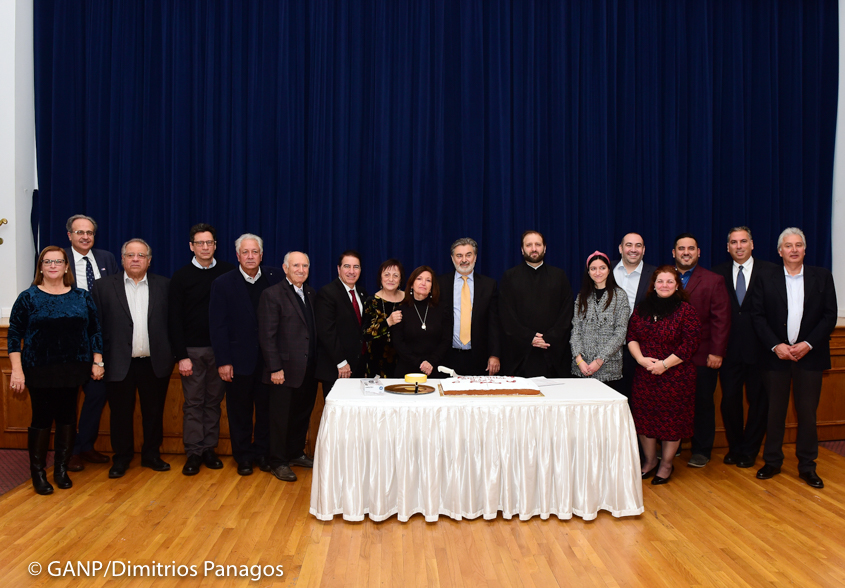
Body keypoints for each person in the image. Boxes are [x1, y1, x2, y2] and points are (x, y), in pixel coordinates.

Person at [8, 246, 104, 495]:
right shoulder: (28, 297)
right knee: (41, 419)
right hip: (38, 369)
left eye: (58, 261)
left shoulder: (81, 296)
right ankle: (38, 473)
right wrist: (17, 371)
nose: (53, 266)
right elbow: (14, 336)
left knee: (67, 418)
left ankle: (61, 469)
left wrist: (98, 360)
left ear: (66, 266)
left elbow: (94, 330)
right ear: (40, 267)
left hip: (73, 368)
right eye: (47, 261)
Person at [751, 228, 837, 489]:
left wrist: (808, 344)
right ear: (780, 251)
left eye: (798, 245)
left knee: (807, 413)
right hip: (775, 357)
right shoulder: (765, 278)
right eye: (788, 246)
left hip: (809, 358)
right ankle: (772, 461)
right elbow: (757, 316)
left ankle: (808, 466)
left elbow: (829, 316)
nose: (794, 249)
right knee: (774, 412)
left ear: (805, 249)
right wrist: (776, 345)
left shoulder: (822, 276)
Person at [92, 238, 174, 479]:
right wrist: (97, 359)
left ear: (149, 261)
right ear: (122, 259)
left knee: (153, 412)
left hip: (154, 362)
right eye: (130, 255)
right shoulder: (103, 287)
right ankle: (121, 458)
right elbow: (95, 326)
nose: (135, 259)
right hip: (118, 362)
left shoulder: (165, 285)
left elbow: (173, 324)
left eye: (141, 256)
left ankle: (151, 455)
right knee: (120, 414)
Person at [208, 233, 284, 476]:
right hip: (237, 361)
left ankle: (262, 454)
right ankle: (243, 457)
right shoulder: (223, 283)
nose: (250, 256)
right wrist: (223, 361)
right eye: (245, 252)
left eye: (255, 252)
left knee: (265, 412)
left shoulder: (275, 278)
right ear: (237, 255)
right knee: (239, 413)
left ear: (261, 255)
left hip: (268, 362)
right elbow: (217, 326)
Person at [169, 223, 235, 476]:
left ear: (215, 245)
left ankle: (209, 449)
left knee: (213, 402)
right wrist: (181, 356)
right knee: (194, 403)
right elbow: (174, 320)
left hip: (221, 352)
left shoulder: (229, 272)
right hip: (193, 352)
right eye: (200, 243)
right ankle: (194, 452)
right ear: (191, 246)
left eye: (209, 243)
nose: (205, 247)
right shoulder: (181, 276)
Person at [627, 266, 701, 485]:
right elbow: (631, 336)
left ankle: (666, 464)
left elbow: (690, 344)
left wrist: (665, 365)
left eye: (670, 281)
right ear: (654, 284)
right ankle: (650, 461)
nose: (665, 285)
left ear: (677, 285)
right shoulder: (642, 309)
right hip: (645, 374)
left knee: (672, 422)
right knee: (644, 420)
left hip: (676, 376)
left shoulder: (686, 311)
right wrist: (640, 359)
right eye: (660, 281)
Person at [712, 227, 777, 469]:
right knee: (729, 401)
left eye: (743, 241)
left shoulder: (770, 271)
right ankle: (735, 447)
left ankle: (750, 450)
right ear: (727, 247)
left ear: (752, 244)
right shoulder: (717, 273)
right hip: (728, 350)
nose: (738, 246)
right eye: (733, 242)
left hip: (762, 350)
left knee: (759, 402)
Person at [258, 251, 319, 483]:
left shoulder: (311, 293)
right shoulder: (272, 294)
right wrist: (274, 368)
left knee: (301, 415)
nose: (301, 270)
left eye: (305, 266)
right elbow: (267, 335)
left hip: (307, 369)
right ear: (285, 268)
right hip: (282, 371)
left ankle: (295, 453)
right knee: (280, 419)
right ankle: (278, 461)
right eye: (296, 266)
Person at [64, 214, 118, 472]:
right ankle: (68, 451)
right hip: (68, 343)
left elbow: (117, 292)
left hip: (99, 342)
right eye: (80, 232)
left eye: (89, 232)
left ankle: (85, 445)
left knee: (97, 395)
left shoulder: (106, 258)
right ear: (69, 235)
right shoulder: (58, 259)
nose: (85, 237)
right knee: (67, 399)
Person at [672, 233, 731, 468]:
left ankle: (701, 450)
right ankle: (672, 446)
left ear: (698, 252)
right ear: (674, 253)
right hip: (667, 357)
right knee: (671, 403)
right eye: (681, 248)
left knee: (702, 403)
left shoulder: (713, 280)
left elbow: (721, 320)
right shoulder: (663, 278)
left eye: (691, 248)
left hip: (702, 356)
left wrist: (717, 352)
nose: (686, 252)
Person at [499, 230, 574, 377]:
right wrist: (529, 337)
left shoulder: (559, 276)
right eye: (529, 245)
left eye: (538, 245)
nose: (534, 249)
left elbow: (567, 313)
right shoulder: (510, 277)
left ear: (544, 248)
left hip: (553, 354)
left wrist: (548, 338)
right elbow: (506, 316)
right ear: (522, 250)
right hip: (519, 356)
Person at [438, 238, 501, 376]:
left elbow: (494, 324)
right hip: (447, 356)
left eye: (468, 255)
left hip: (479, 358)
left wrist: (494, 354)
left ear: (475, 257)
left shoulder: (488, 285)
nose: (464, 260)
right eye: (459, 255)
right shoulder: (440, 284)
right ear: (452, 258)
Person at [570, 252, 630, 391]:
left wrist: (599, 360)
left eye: (602, 268)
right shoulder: (582, 296)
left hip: (608, 369)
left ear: (609, 270)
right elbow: (576, 329)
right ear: (588, 272)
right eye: (593, 268)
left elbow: (620, 332)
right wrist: (579, 360)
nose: (598, 272)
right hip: (582, 367)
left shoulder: (620, 296)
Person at [610, 232, 657, 401]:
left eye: (638, 245)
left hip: (640, 349)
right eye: (628, 245)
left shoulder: (655, 274)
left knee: (637, 399)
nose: (633, 249)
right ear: (620, 248)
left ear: (644, 250)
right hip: (607, 348)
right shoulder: (605, 269)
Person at [316, 251, 368, 397]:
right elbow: (326, 332)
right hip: (337, 369)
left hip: (358, 369)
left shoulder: (362, 293)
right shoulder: (327, 293)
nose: (352, 271)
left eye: (356, 267)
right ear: (339, 269)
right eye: (347, 266)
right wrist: (341, 362)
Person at [392, 266, 451, 377]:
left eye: (428, 280)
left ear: (432, 286)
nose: (423, 283)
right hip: (407, 370)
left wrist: (431, 362)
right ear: (411, 284)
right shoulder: (400, 310)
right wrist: (420, 363)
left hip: (435, 369)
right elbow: (398, 343)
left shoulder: (442, 309)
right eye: (419, 279)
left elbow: (446, 340)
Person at [361, 259, 405, 378]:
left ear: (400, 279)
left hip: (405, 361)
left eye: (395, 275)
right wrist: (388, 322)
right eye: (386, 275)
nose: (391, 279)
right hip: (377, 362)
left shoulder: (408, 300)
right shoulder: (371, 301)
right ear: (380, 278)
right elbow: (365, 334)